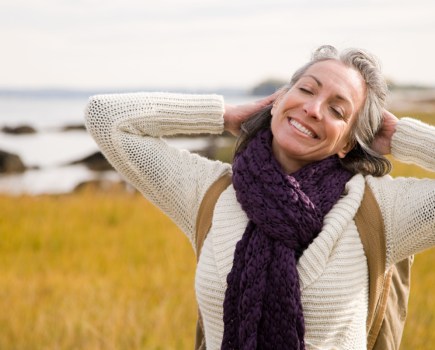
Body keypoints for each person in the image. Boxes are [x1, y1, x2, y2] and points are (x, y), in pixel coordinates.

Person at [84, 45, 435, 349]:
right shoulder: (212, 191)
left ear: (347, 142)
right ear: (279, 99)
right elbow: (105, 118)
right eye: (306, 90)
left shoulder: (379, 212)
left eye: (337, 110)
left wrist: (401, 136)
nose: (313, 109)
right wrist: (224, 116)